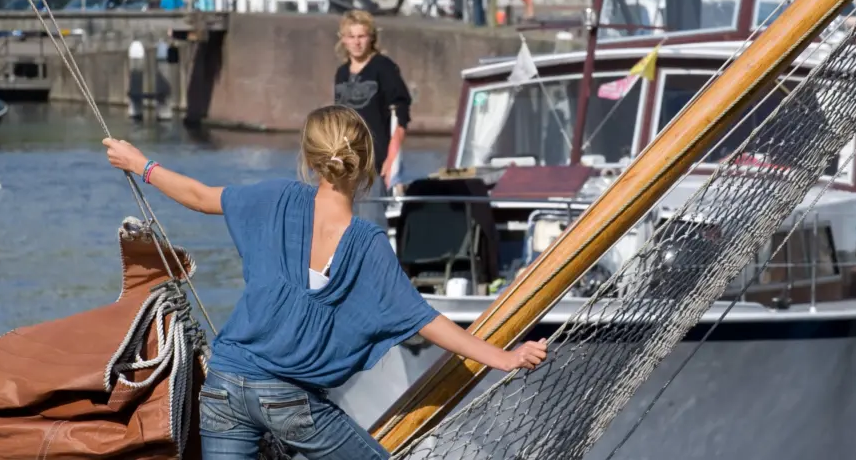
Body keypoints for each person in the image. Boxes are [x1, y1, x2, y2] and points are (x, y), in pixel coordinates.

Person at [102, 105, 548, 460]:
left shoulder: (274, 198)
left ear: (309, 160)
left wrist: (140, 163)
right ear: (366, 163)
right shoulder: (367, 243)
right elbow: (424, 320)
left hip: (224, 383)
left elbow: (199, 196)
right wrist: (503, 358)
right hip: (287, 398)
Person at [333, 10, 408, 226]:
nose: (357, 42)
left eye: (361, 36)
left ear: (371, 38)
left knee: (370, 225)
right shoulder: (341, 74)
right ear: (343, 40)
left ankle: (377, 260)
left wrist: (391, 157)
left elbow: (401, 114)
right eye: (351, 37)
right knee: (344, 226)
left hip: (374, 163)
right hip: (346, 164)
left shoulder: (384, 68)